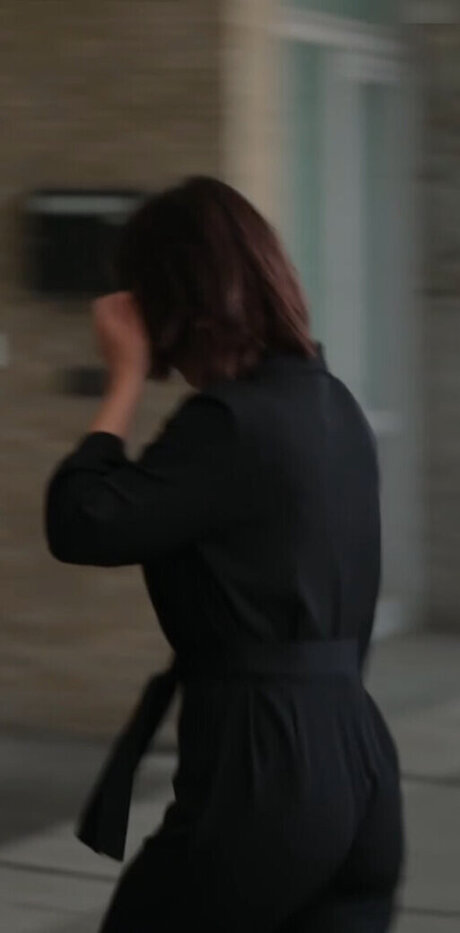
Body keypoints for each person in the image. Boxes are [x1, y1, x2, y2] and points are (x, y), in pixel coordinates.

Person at [43, 176, 404, 932]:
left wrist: (124, 378)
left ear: (170, 301)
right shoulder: (332, 406)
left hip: (269, 774)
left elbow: (82, 522)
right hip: (361, 767)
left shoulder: (231, 424)